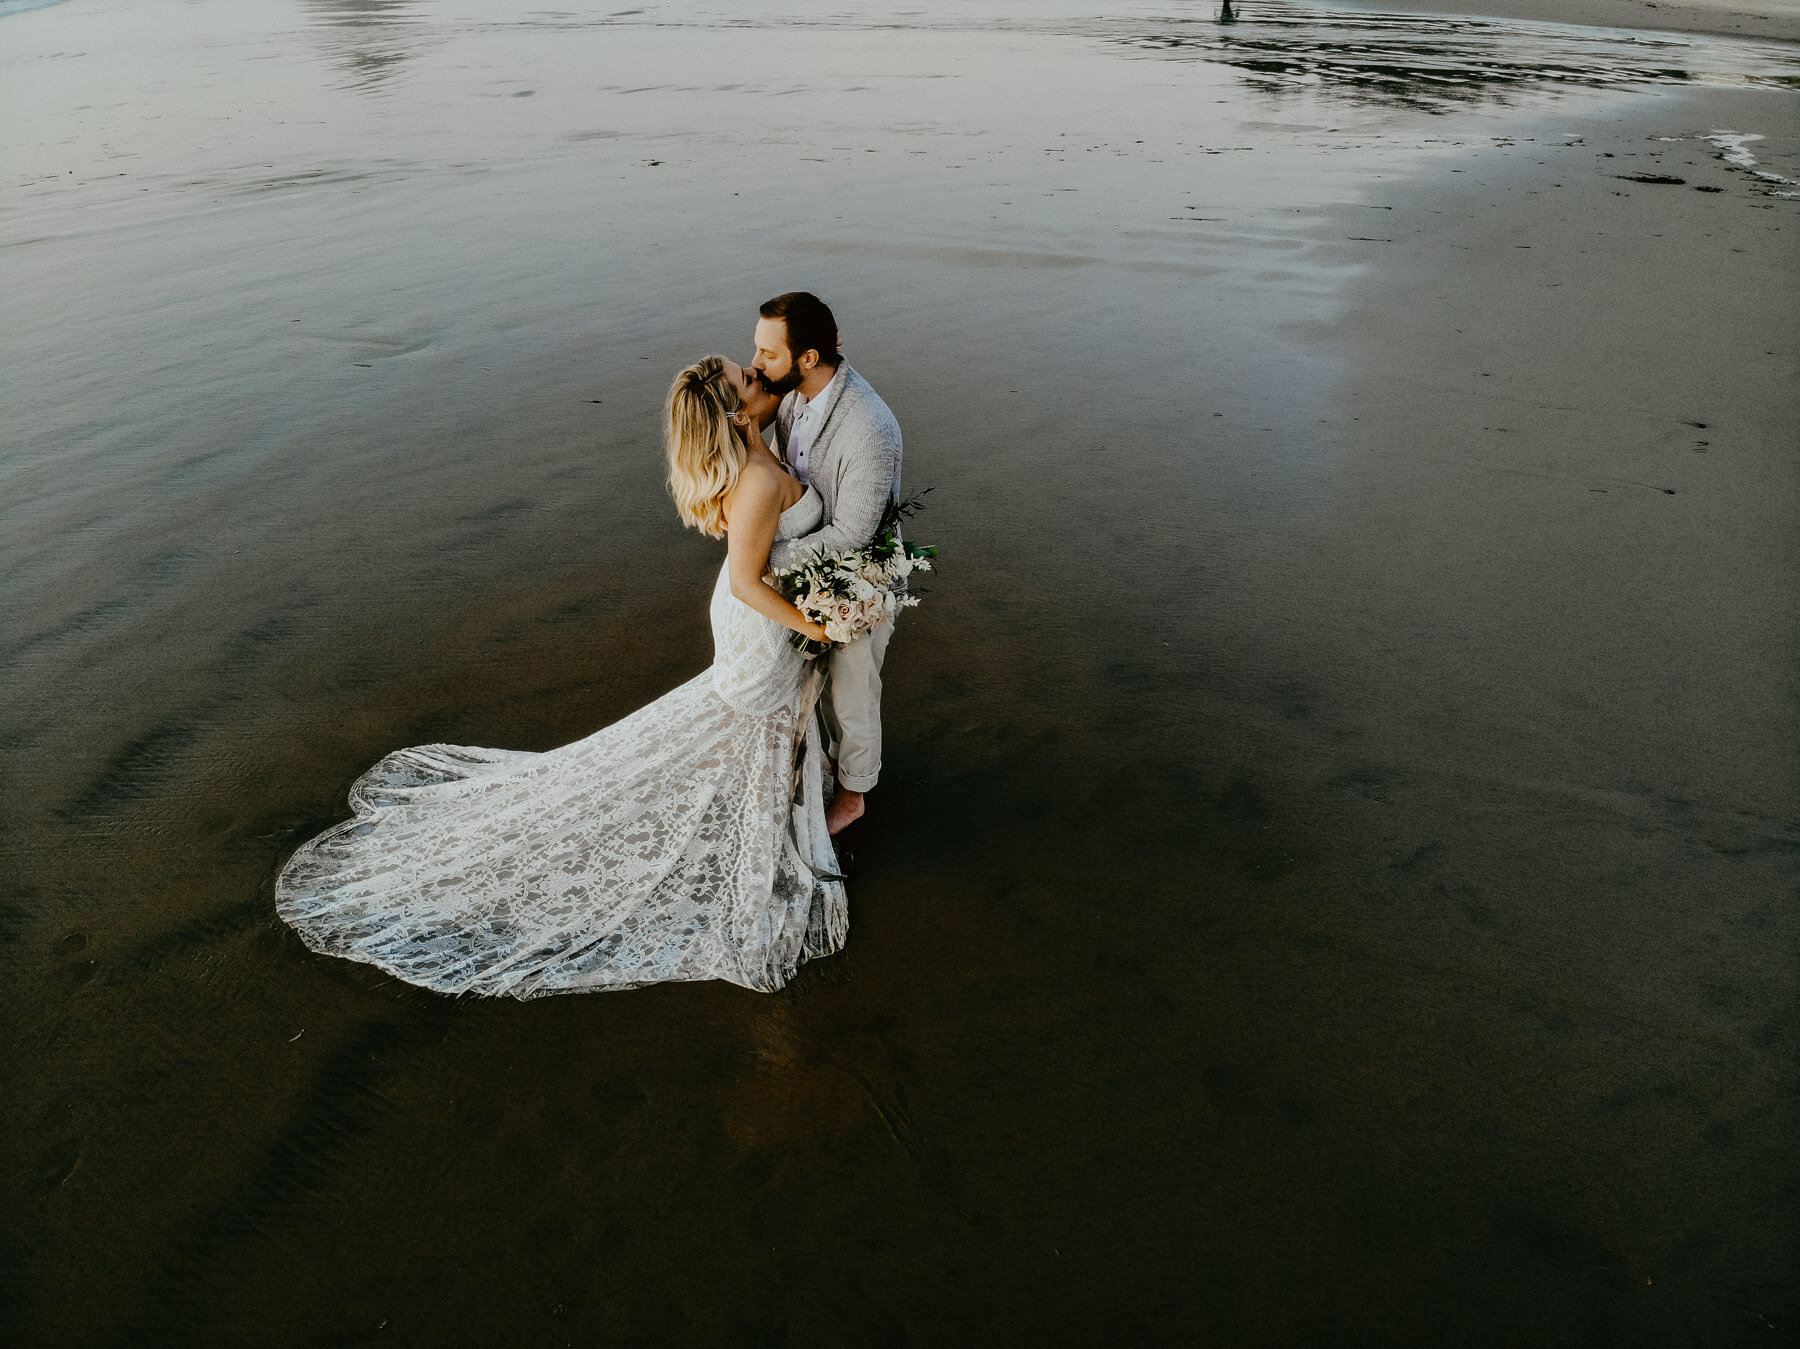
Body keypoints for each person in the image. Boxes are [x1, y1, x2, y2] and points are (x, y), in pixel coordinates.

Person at [275, 356, 846, 997]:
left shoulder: (756, 449)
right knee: (747, 733)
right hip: (762, 622)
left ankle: (786, 820)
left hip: (764, 615)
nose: (759, 375)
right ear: (737, 410)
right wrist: (823, 627)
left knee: (749, 732)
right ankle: (762, 851)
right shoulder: (760, 484)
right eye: (749, 378)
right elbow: (746, 582)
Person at [750, 292, 904, 835]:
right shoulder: (792, 397)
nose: (756, 365)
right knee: (804, 678)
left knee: (854, 693)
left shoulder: (870, 429)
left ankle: (854, 796)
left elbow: (854, 533)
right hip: (806, 566)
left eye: (769, 354)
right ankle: (814, 765)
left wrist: (769, 558)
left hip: (858, 577)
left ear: (809, 357)